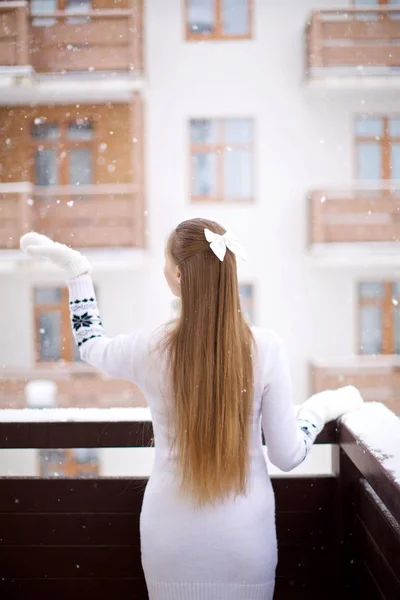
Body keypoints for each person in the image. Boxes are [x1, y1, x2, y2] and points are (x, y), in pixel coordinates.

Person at [20, 218, 363, 600]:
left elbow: (90, 345)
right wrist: (322, 407)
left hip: (170, 540)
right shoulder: (266, 348)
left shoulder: (152, 348)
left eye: (166, 265)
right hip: (244, 542)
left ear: (180, 276)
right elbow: (287, 454)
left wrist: (78, 273)